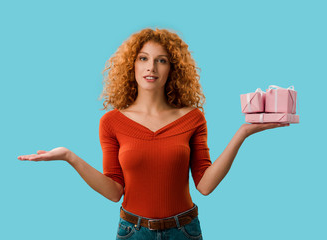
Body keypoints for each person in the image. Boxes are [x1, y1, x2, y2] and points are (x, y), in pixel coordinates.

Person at [17, 28, 289, 239]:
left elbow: (205, 185)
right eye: (143, 59)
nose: (151, 67)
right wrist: (69, 157)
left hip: (184, 230)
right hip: (133, 232)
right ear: (131, 66)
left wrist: (242, 133)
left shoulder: (193, 118)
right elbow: (114, 191)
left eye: (162, 60)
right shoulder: (111, 122)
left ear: (172, 69)